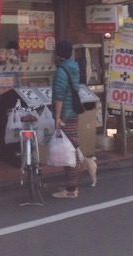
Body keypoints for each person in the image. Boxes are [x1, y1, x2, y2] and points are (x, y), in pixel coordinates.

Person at [51, 39, 89, 199]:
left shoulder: (61, 71)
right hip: (72, 111)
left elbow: (59, 95)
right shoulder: (74, 67)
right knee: (71, 146)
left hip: (65, 114)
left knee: (68, 150)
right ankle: (73, 179)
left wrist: (57, 117)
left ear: (57, 54)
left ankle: (71, 189)